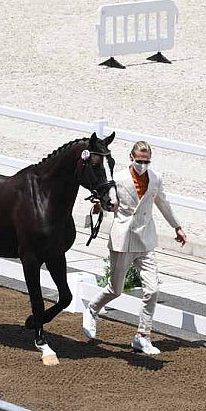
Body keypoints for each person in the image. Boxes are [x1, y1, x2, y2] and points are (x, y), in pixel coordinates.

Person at [82, 141, 187, 355]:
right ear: (131, 158)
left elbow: (163, 203)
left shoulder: (156, 179)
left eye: (146, 161)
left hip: (146, 240)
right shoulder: (118, 179)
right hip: (123, 238)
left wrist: (177, 226)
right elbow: (109, 202)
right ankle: (92, 309)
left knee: (152, 290)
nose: (142, 165)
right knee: (115, 289)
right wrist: (99, 206)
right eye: (139, 161)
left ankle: (142, 335)